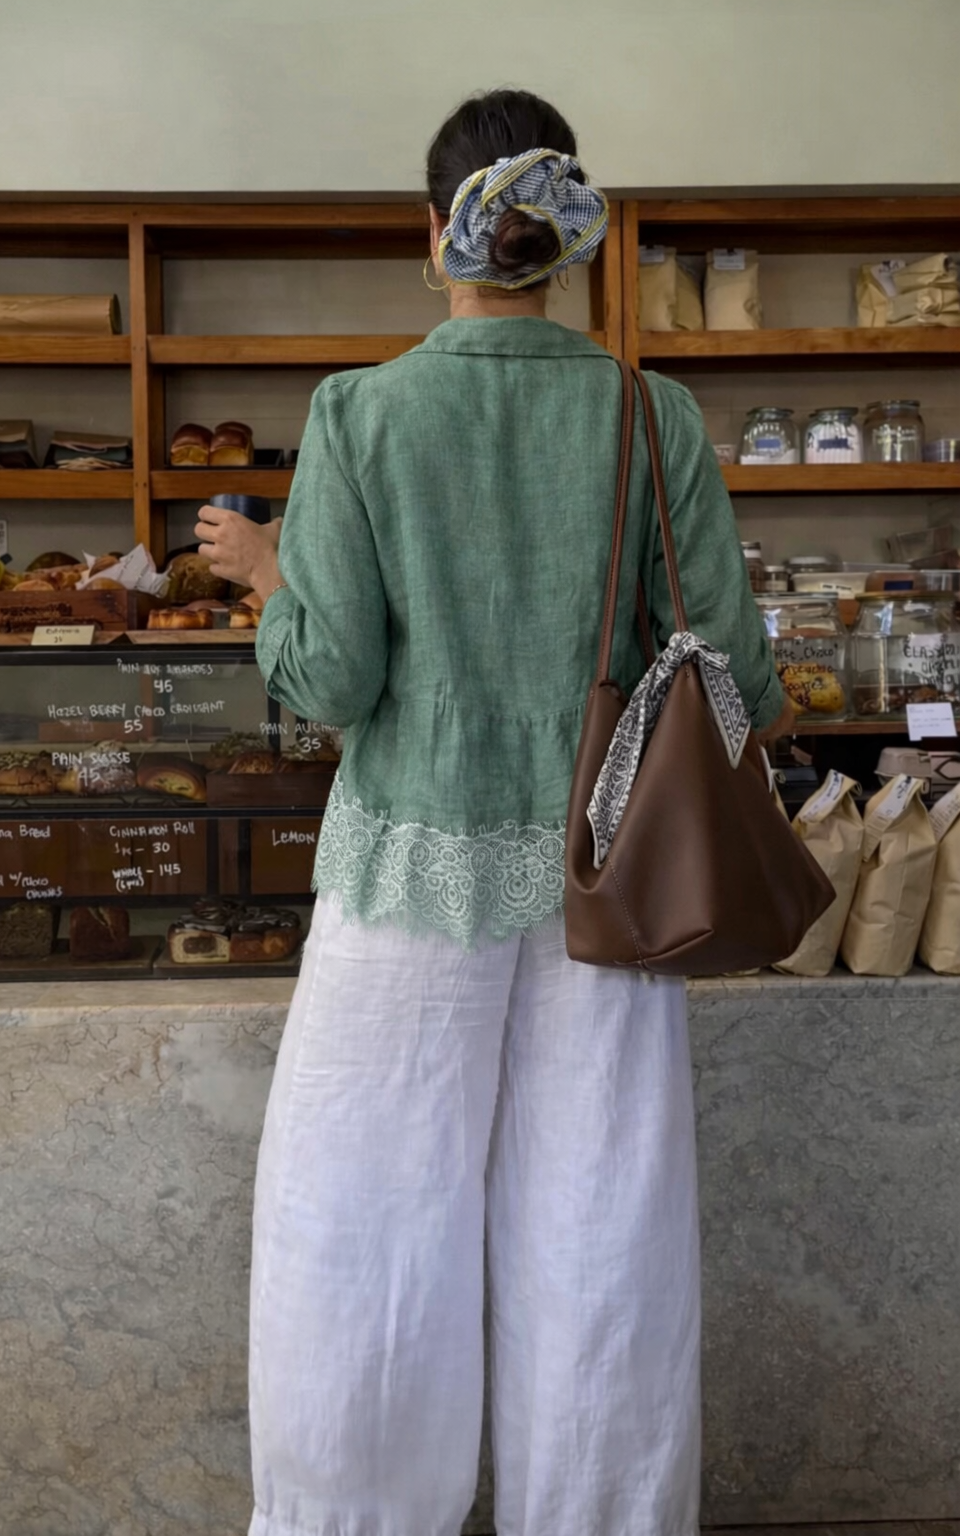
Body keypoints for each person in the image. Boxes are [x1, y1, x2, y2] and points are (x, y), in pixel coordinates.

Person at [196, 87, 795, 1536]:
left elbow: (335, 675)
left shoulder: (363, 411)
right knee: (603, 1232)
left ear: (436, 239)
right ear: (571, 241)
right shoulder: (653, 416)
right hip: (616, 881)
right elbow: (747, 683)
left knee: (363, 1232)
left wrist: (272, 581)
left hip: (409, 871)